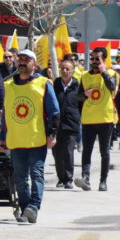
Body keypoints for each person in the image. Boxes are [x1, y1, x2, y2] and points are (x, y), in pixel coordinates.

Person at [0, 50, 59, 224]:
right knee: (19, 178)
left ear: (35, 64)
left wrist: (52, 134)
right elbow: (6, 115)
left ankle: (33, 206)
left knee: (36, 174)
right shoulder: (8, 85)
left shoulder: (43, 83)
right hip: (16, 139)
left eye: (27, 60)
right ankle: (26, 209)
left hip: (36, 139)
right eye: (21, 59)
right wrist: (2, 137)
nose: (22, 62)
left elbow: (54, 111)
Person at [78, 46, 118, 192]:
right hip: (88, 119)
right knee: (86, 150)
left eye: (98, 59)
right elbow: (77, 97)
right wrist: (85, 94)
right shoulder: (84, 76)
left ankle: (103, 181)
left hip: (105, 119)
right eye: (93, 59)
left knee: (104, 151)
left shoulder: (112, 73)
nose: (94, 62)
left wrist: (103, 72)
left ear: (104, 59)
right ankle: (85, 179)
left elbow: (112, 87)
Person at [52, 59, 82, 189]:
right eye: (62, 68)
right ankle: (61, 178)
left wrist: (77, 118)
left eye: (67, 69)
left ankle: (68, 178)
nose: (64, 71)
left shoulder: (78, 86)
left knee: (68, 151)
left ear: (72, 71)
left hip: (71, 124)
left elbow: (82, 104)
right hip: (56, 125)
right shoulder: (55, 84)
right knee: (57, 153)